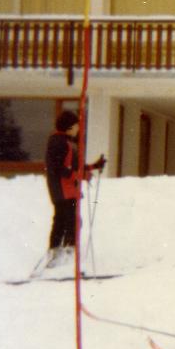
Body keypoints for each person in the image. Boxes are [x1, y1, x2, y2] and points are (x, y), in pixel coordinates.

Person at [44, 110, 106, 268]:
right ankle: (60, 256)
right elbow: (58, 168)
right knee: (65, 221)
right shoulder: (58, 142)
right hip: (62, 189)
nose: (79, 128)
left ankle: (64, 253)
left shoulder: (67, 142)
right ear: (69, 127)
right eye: (77, 125)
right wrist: (80, 176)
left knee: (71, 221)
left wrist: (94, 166)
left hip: (68, 190)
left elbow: (76, 167)